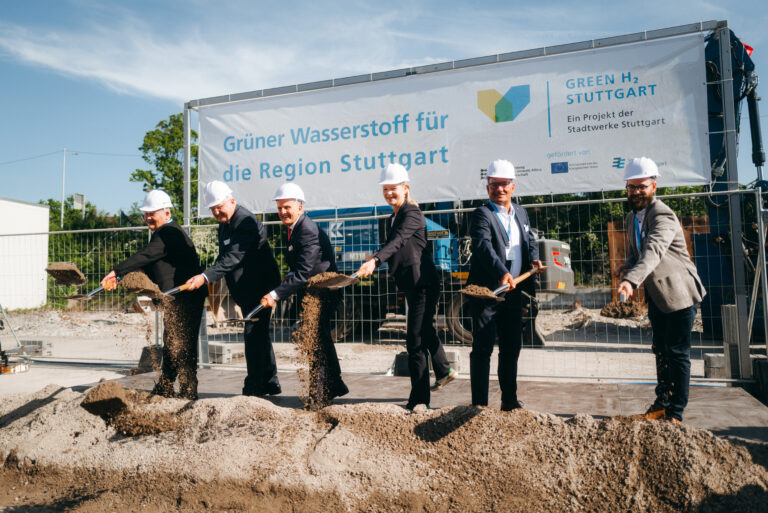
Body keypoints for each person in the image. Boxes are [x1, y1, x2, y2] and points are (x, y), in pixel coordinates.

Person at [356, 164, 456, 410]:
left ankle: (419, 400)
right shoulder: (395, 216)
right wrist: (376, 256)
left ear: (406, 188)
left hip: (423, 283)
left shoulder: (412, 213)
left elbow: (399, 241)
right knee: (422, 331)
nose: (389, 193)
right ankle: (443, 370)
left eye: (393, 189)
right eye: (386, 189)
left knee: (414, 341)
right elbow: (394, 245)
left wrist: (376, 260)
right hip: (413, 284)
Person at [616, 157, 705, 423]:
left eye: (641, 186)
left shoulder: (663, 215)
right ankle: (662, 402)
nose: (635, 192)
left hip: (679, 293)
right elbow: (638, 252)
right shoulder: (632, 217)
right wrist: (627, 265)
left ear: (654, 185)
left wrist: (631, 281)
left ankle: (675, 413)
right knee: (661, 350)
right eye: (631, 187)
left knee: (677, 354)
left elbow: (654, 251)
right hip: (658, 295)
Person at [101, 190, 206, 400]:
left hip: (185, 296)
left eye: (153, 213)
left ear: (166, 213)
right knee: (173, 342)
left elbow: (147, 254)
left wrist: (117, 271)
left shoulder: (169, 232)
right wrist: (122, 278)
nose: (148, 217)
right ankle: (166, 387)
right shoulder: (164, 233)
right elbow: (151, 263)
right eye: (146, 213)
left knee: (182, 344)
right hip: (176, 297)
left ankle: (187, 390)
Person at [184, 181, 282, 397]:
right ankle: (270, 382)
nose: (216, 212)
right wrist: (207, 274)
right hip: (246, 290)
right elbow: (223, 256)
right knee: (259, 335)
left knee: (253, 334)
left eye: (219, 206)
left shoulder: (244, 221)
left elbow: (234, 257)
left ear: (232, 201)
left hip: (260, 288)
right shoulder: (226, 223)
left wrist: (206, 276)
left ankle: (254, 387)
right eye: (213, 209)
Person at [260, 183, 348, 401]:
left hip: (323, 293)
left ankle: (318, 395)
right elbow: (300, 269)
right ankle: (335, 384)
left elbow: (304, 272)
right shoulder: (295, 228)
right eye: (279, 208)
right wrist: (288, 278)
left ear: (300, 207)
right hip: (314, 291)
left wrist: (274, 295)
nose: (282, 212)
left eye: (287, 207)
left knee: (315, 340)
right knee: (322, 339)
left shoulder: (306, 230)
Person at [467, 159, 542, 411]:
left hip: (514, 292)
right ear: (487, 187)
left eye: (504, 184)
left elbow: (528, 238)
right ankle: (478, 404)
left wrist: (533, 256)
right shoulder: (482, 214)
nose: (499, 189)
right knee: (483, 349)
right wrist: (501, 272)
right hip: (488, 293)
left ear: (513, 186)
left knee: (511, 348)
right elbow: (483, 247)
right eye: (493, 185)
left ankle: (509, 400)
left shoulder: (520, 212)